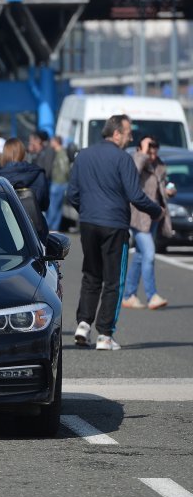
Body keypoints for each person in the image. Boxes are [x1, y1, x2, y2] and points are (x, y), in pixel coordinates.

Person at [67, 114, 163, 351]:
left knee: (91, 275)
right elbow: (135, 195)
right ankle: (105, 334)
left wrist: (86, 210)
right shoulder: (123, 159)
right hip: (115, 224)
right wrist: (156, 210)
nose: (131, 137)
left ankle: (83, 323)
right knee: (114, 280)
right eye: (128, 132)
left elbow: (72, 194)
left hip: (88, 223)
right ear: (116, 133)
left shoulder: (84, 155)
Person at [122, 135, 175, 311]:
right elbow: (133, 175)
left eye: (154, 151)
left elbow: (160, 187)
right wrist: (142, 153)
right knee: (150, 253)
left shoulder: (159, 164)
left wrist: (168, 191)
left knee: (139, 255)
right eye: (149, 150)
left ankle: (129, 295)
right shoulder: (136, 161)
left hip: (155, 216)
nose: (152, 154)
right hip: (138, 216)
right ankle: (152, 296)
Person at [0, 137, 49, 243]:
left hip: (5, 229)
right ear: (23, 153)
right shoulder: (37, 173)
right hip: (34, 228)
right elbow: (44, 204)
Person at [46, 135, 70, 231]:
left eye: (52, 141)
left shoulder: (61, 154)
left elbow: (65, 169)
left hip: (58, 183)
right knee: (57, 207)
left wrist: (64, 179)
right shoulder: (59, 153)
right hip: (60, 183)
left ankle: (50, 227)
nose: (51, 143)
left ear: (56, 142)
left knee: (53, 206)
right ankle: (55, 227)